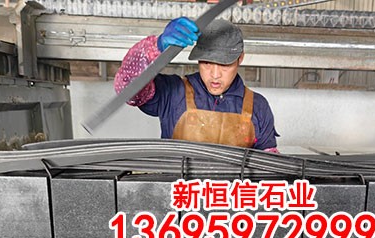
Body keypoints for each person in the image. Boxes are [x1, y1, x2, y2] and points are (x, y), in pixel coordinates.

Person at [114, 18, 279, 151]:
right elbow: (127, 90)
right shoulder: (174, 93)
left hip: (231, 186)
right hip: (178, 184)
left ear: (240, 58)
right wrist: (155, 47)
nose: (215, 75)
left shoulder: (258, 106)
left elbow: (268, 164)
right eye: (207, 63)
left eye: (225, 64)